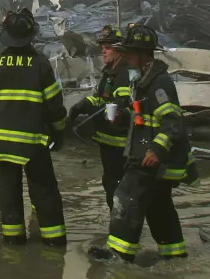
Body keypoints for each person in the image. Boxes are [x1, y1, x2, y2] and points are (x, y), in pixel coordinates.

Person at [98, 24, 198, 263]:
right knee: (159, 208)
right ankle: (175, 257)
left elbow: (172, 122)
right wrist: (122, 116)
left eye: (130, 53)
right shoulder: (143, 80)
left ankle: (118, 256)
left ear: (144, 54)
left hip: (149, 158)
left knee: (125, 199)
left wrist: (157, 149)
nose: (127, 57)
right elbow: (142, 117)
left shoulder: (159, 84)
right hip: (146, 154)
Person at [0, 8, 68, 246]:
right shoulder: (40, 63)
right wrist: (59, 131)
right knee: (44, 190)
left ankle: (13, 244)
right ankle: (54, 245)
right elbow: (54, 106)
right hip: (32, 142)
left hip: (1, 143)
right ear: (31, 36)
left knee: (9, 193)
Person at [68, 25, 131, 210]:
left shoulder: (126, 74)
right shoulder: (110, 71)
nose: (103, 50)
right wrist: (83, 105)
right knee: (110, 185)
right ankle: (117, 224)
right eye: (102, 45)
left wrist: (107, 110)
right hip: (108, 145)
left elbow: (122, 105)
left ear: (120, 49)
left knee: (120, 189)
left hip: (122, 146)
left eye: (108, 46)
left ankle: (123, 228)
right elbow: (100, 98)